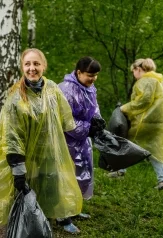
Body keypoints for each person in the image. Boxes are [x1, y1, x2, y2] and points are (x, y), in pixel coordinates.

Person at [0, 48, 83, 234]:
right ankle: (27, 224)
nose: (32, 68)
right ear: (22, 67)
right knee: (27, 189)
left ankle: (59, 218)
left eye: (36, 64)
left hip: (50, 149)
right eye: (27, 64)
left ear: (44, 66)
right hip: (25, 154)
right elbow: (11, 135)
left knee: (53, 184)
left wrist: (88, 126)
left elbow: (66, 116)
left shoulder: (52, 89)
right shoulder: (15, 97)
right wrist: (17, 168)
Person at [108, 58, 163, 190]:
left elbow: (143, 101)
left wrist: (124, 108)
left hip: (145, 122)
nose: (133, 75)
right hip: (159, 123)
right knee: (155, 149)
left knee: (127, 143)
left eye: (133, 72)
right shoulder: (160, 81)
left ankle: (120, 171)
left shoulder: (145, 81)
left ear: (138, 69)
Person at [58, 56, 102, 219]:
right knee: (65, 177)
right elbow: (65, 120)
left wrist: (97, 121)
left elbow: (94, 107)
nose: (93, 78)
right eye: (90, 75)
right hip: (67, 140)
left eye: (95, 75)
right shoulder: (67, 90)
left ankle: (74, 209)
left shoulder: (89, 87)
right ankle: (63, 216)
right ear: (78, 72)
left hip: (82, 141)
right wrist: (87, 128)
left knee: (81, 174)